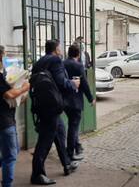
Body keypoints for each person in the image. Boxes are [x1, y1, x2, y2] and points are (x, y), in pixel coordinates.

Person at [31, 40, 80, 185]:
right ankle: (37, 174)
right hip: (51, 107)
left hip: (42, 105)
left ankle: (67, 164)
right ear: (56, 49)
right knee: (45, 141)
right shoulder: (55, 60)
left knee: (60, 132)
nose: (61, 49)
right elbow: (60, 82)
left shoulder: (39, 62)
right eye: (60, 47)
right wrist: (73, 83)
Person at [0, 46, 30, 187]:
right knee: (11, 156)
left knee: (13, 151)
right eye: (4, 55)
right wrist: (24, 88)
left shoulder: (3, 75)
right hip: (4, 122)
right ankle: (7, 184)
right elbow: (9, 94)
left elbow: (12, 99)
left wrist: (23, 94)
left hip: (7, 120)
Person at [63, 44, 96, 161]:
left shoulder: (62, 63)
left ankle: (77, 146)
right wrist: (91, 98)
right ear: (78, 54)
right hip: (75, 101)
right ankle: (70, 153)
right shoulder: (78, 65)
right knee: (73, 127)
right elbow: (84, 84)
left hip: (64, 101)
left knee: (72, 125)